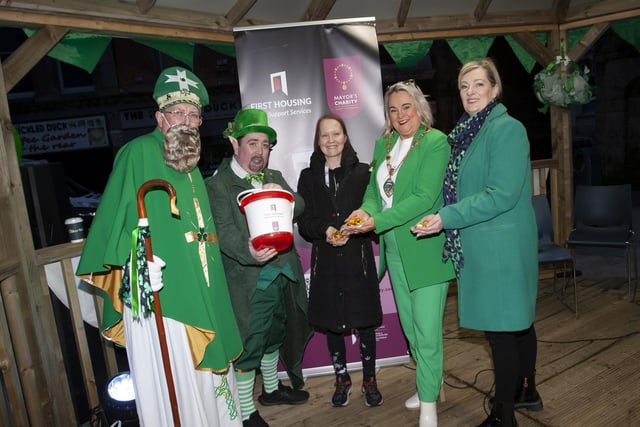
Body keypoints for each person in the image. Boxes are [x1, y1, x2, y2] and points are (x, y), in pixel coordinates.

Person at [76, 66, 244, 426]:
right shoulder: (136, 153)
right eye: (177, 113)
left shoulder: (190, 164)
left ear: (200, 122)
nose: (186, 120)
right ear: (159, 117)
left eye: (193, 114)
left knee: (205, 382)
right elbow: (113, 224)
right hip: (161, 296)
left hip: (202, 287)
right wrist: (135, 265)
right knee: (176, 382)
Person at [412, 58, 541, 427]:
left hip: (500, 247)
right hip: (483, 244)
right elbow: (457, 188)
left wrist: (446, 218)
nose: (470, 92)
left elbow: (501, 193)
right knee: (516, 325)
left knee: (502, 332)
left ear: (495, 89)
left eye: (478, 84)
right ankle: (526, 391)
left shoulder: (507, 130)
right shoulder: (466, 132)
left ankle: (504, 417)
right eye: (464, 86)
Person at [342, 80, 455, 427]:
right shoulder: (384, 144)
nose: (400, 114)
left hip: (425, 249)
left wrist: (375, 221)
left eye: (406, 107)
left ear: (419, 108)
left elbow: (423, 198)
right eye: (393, 109)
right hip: (394, 251)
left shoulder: (435, 142)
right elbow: (375, 194)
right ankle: (426, 388)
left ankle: (430, 406)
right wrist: (363, 213)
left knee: (427, 332)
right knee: (409, 327)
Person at [206, 108, 313, 427]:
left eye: (265, 145)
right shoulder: (218, 186)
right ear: (234, 144)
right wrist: (248, 251)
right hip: (249, 279)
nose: (259, 152)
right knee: (250, 342)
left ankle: (270, 390)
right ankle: (244, 411)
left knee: (275, 334)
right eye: (252, 143)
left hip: (283, 273)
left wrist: (282, 197)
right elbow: (223, 233)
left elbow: (299, 205)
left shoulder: (274, 177)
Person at [297, 114, 383, 408]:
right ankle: (342, 377)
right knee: (333, 323)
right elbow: (304, 222)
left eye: (336, 134)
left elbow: (373, 212)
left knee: (366, 322)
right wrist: (326, 230)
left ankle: (369, 378)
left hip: (357, 260)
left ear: (345, 137)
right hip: (327, 262)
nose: (330, 141)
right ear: (317, 141)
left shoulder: (362, 173)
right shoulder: (308, 177)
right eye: (324, 136)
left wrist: (355, 227)